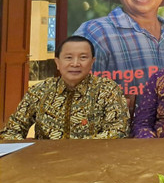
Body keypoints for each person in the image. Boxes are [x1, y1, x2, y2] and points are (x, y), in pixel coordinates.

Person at [0, 36, 129, 140]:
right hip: (45, 161)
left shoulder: (107, 89)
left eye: (83, 57)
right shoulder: (40, 91)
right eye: (68, 58)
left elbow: (118, 131)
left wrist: (76, 151)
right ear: (57, 62)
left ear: (92, 62)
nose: (75, 63)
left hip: (93, 161)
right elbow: (12, 129)